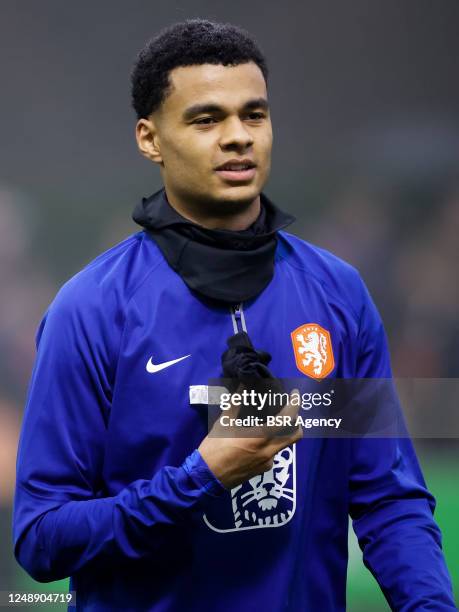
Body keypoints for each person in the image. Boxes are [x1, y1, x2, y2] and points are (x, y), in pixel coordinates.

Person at [13, 19, 456, 611]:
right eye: (206, 119)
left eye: (254, 114)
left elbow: (388, 499)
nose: (238, 136)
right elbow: (42, 538)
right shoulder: (92, 310)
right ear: (150, 139)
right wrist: (202, 477)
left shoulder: (337, 294)